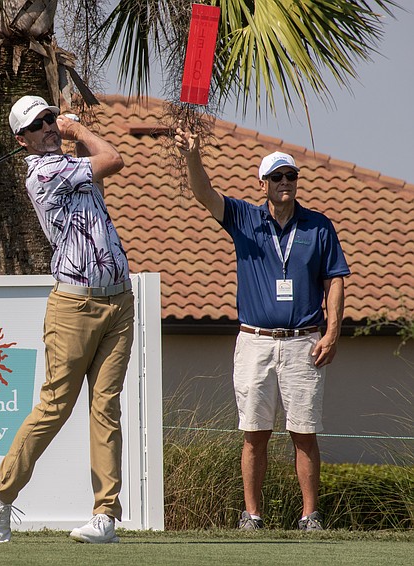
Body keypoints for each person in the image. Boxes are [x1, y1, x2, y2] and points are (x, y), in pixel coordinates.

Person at [174, 125, 349, 531]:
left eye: (291, 176)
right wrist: (192, 156)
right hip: (255, 341)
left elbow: (335, 279)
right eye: (277, 177)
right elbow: (204, 193)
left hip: (304, 342)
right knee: (254, 433)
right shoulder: (244, 218)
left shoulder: (318, 226)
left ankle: (310, 517)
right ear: (264, 184)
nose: (285, 183)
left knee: (304, 432)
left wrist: (333, 331)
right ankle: (251, 516)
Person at [0, 95, 135, 544]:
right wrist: (76, 129)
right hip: (74, 306)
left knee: (106, 407)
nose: (48, 126)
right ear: (21, 139)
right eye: (38, 124)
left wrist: (74, 131)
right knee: (55, 406)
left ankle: (105, 514)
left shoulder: (70, 165)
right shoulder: (44, 171)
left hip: (118, 301)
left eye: (50, 118)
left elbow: (99, 169)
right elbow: (115, 159)